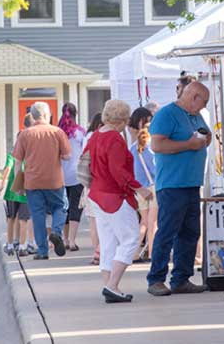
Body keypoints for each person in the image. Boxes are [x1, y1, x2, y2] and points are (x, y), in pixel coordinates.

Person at [147, 81, 211, 296]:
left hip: (191, 183)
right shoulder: (167, 114)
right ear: (193, 96)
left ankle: (181, 278)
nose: (203, 108)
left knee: (190, 232)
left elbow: (203, 137)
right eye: (203, 102)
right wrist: (188, 145)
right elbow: (156, 145)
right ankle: (156, 278)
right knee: (167, 231)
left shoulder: (195, 116)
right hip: (173, 184)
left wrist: (204, 139)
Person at [86, 99, 152, 303]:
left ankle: (109, 287)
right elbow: (118, 171)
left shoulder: (96, 135)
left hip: (97, 194)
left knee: (108, 242)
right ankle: (112, 285)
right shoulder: (114, 138)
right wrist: (139, 187)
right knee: (131, 238)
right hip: (114, 196)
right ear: (122, 120)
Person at [13, 102, 71, 260]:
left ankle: (42, 251)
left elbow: (17, 161)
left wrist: (18, 184)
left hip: (32, 182)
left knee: (38, 215)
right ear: (47, 115)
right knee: (61, 206)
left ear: (32, 116)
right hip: (54, 180)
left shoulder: (25, 134)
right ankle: (56, 232)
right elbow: (67, 156)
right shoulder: (57, 132)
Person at [58, 102, 86, 251]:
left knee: (64, 208)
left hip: (60, 176)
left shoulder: (57, 132)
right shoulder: (80, 133)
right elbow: (84, 153)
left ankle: (65, 237)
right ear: (76, 114)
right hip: (77, 175)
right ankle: (72, 240)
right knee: (76, 207)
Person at [130, 124, 157, 261]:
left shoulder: (133, 147)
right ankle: (153, 252)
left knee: (144, 221)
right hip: (153, 187)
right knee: (153, 222)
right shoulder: (152, 147)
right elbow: (155, 169)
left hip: (140, 188)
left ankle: (133, 252)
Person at [83, 113, 103, 265]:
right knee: (103, 220)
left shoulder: (88, 137)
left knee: (93, 220)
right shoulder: (106, 137)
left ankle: (97, 252)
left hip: (89, 182)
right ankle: (102, 251)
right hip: (102, 182)